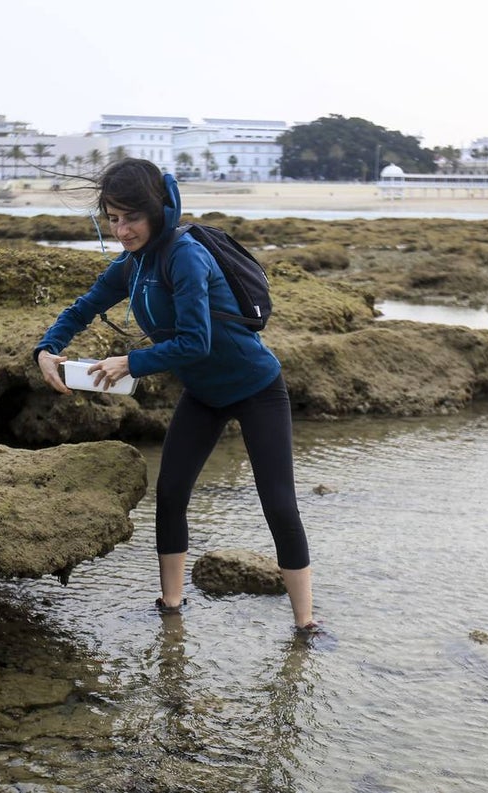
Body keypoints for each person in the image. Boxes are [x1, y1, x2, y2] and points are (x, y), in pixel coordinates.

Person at [34, 158, 319, 634]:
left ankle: (306, 624)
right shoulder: (132, 264)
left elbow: (196, 341)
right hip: (204, 393)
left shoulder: (185, 255)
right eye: (113, 218)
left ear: (160, 210)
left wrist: (131, 362)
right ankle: (171, 606)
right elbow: (83, 307)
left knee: (278, 503)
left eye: (132, 218)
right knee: (170, 493)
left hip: (257, 389)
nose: (122, 230)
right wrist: (46, 348)